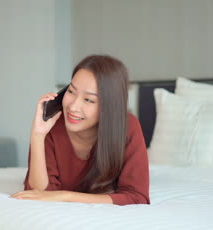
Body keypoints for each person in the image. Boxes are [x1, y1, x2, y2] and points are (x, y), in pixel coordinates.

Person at [10, 55, 150, 205]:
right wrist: (38, 135)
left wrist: (65, 196)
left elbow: (136, 197)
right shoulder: (53, 124)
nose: (73, 107)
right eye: (71, 91)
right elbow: (38, 193)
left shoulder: (127, 126)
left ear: (109, 107)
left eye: (89, 100)